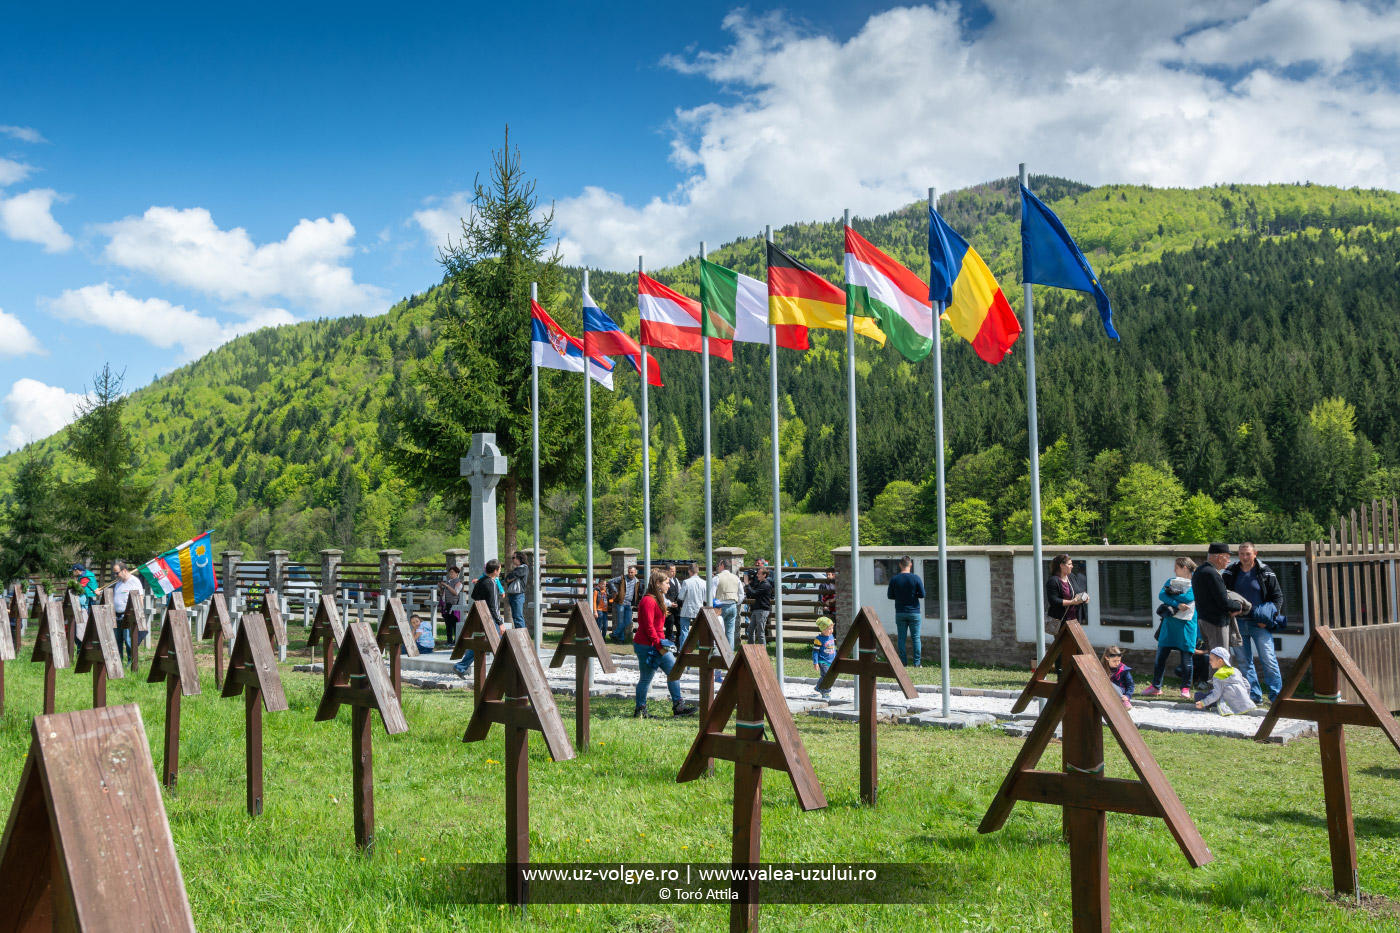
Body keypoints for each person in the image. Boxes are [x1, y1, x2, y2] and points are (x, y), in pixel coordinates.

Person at [1223, 542, 1285, 705]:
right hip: (1237, 623)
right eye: (1241, 554)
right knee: (1244, 662)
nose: (1244, 557)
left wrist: (1269, 618)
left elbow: (1277, 597)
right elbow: (1224, 594)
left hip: (1260, 624)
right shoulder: (1231, 571)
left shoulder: (1266, 572)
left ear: (1255, 553)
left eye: (1248, 554)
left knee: (1269, 659)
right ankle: (1254, 695)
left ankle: (1276, 697)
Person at [631, 569, 697, 718]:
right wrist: (658, 644)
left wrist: (663, 643)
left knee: (674, 672)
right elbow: (648, 627)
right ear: (657, 583)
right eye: (666, 583)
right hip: (647, 645)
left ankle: (678, 706)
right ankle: (640, 710)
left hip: (658, 644)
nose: (669, 585)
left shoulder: (658, 598)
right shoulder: (648, 600)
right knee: (646, 678)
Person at [1144, 558, 1199, 698]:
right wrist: (1177, 604)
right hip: (1169, 623)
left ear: (1185, 568)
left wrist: (1173, 596)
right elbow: (1162, 595)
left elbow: (1190, 597)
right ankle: (1156, 686)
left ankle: (1185, 689)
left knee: (1186, 657)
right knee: (1161, 656)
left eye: (1177, 567)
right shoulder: (1170, 581)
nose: (1174, 570)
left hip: (1187, 624)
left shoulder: (1196, 582)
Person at [453, 559, 502, 681]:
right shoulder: (492, 583)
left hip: (480, 617)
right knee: (500, 645)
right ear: (495, 571)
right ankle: (503, 672)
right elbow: (494, 606)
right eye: (500, 569)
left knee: (479, 644)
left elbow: (474, 596)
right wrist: (500, 623)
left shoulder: (481, 581)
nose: (500, 571)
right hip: (490, 619)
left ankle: (460, 666)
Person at [1192, 543, 1238, 654]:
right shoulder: (1212, 573)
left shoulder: (1200, 570)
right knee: (1221, 659)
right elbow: (1223, 602)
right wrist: (1239, 605)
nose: (1229, 560)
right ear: (1218, 556)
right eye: (1227, 556)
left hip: (1204, 620)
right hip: (1216, 623)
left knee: (1214, 659)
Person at [886, 556, 925, 667]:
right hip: (914, 612)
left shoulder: (894, 579)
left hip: (900, 612)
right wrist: (913, 595)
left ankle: (903, 662)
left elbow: (890, 595)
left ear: (900, 565)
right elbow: (922, 594)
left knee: (901, 638)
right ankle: (917, 663)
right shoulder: (916, 578)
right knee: (916, 638)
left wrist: (899, 596)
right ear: (910, 564)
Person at [1195, 646, 1256, 715]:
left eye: (1211, 660)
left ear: (1220, 661)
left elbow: (1216, 694)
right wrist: (1244, 697)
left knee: (1198, 695)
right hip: (1243, 702)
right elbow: (1247, 685)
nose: (1209, 662)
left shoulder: (1218, 675)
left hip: (1228, 703)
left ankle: (1208, 704)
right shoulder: (1235, 670)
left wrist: (1203, 703)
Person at [111, 560, 145, 665]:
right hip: (117, 616)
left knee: (128, 640)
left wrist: (138, 615)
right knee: (118, 640)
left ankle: (132, 662)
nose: (116, 575)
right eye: (114, 573)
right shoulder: (118, 583)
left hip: (128, 616)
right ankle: (119, 661)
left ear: (124, 570)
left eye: (117, 573)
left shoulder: (134, 581)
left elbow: (140, 598)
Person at [1044, 554, 1087, 636]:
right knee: (1064, 647)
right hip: (1060, 621)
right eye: (1069, 564)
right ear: (1061, 566)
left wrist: (1084, 597)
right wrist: (1072, 602)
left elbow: (1079, 591)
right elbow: (1054, 601)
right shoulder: (1053, 581)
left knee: (1075, 646)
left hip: (1074, 620)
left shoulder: (1071, 577)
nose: (1072, 566)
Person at [712, 559, 743, 651]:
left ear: (722, 565)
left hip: (720, 607)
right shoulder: (736, 578)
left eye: (719, 565)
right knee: (730, 632)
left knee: (718, 631)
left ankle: (718, 653)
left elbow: (711, 595)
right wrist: (737, 603)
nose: (718, 567)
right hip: (733, 605)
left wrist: (713, 606)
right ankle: (730, 655)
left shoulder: (717, 578)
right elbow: (741, 594)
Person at [606, 564, 641, 643]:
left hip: (629, 604)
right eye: (629, 572)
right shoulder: (622, 578)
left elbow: (637, 592)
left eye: (632, 572)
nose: (630, 574)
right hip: (621, 602)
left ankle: (614, 634)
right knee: (621, 622)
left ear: (635, 572)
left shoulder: (637, 581)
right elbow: (610, 581)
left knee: (628, 621)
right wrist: (615, 591)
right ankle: (621, 639)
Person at [677, 564, 706, 649]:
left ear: (689, 571)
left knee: (684, 631)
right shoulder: (704, 583)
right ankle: (701, 649)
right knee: (700, 630)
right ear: (698, 571)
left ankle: (683, 650)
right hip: (699, 609)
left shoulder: (686, 582)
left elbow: (681, 597)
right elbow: (705, 598)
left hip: (687, 609)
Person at [745, 566, 773, 645]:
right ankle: (751, 649)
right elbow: (751, 594)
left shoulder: (766, 585)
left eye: (759, 574)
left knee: (760, 632)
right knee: (750, 630)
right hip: (756, 609)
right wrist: (749, 585)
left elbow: (754, 593)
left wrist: (747, 584)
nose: (757, 575)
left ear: (764, 575)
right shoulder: (760, 583)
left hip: (762, 610)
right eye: (757, 573)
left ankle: (763, 652)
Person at [438, 565, 465, 646]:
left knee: (454, 624)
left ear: (457, 573)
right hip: (446, 605)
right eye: (450, 573)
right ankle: (449, 640)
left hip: (454, 605)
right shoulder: (448, 582)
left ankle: (455, 641)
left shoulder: (459, 583)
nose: (450, 574)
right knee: (448, 624)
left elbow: (455, 592)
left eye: (452, 572)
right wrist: (441, 588)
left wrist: (446, 586)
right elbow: (443, 594)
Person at [811, 616, 837, 700]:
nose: (831, 630)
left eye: (832, 628)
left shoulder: (831, 636)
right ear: (822, 629)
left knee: (828, 676)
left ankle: (819, 687)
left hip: (831, 660)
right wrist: (815, 662)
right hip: (823, 661)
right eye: (829, 629)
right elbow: (815, 652)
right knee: (826, 676)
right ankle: (825, 692)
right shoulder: (818, 639)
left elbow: (833, 648)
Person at [504, 551, 530, 630]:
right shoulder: (518, 569)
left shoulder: (523, 568)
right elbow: (507, 579)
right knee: (515, 617)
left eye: (514, 558)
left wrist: (509, 578)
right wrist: (509, 578)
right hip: (513, 595)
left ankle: (522, 637)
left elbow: (509, 578)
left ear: (519, 558)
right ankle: (519, 635)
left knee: (518, 617)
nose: (512, 559)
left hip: (518, 595)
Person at [663, 563, 681, 642]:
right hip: (668, 608)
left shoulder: (676, 580)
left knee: (679, 626)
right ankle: (668, 644)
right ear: (667, 571)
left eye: (675, 571)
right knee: (669, 627)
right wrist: (670, 604)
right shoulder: (664, 581)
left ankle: (678, 644)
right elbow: (662, 596)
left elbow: (680, 592)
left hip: (676, 608)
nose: (674, 573)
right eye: (672, 571)